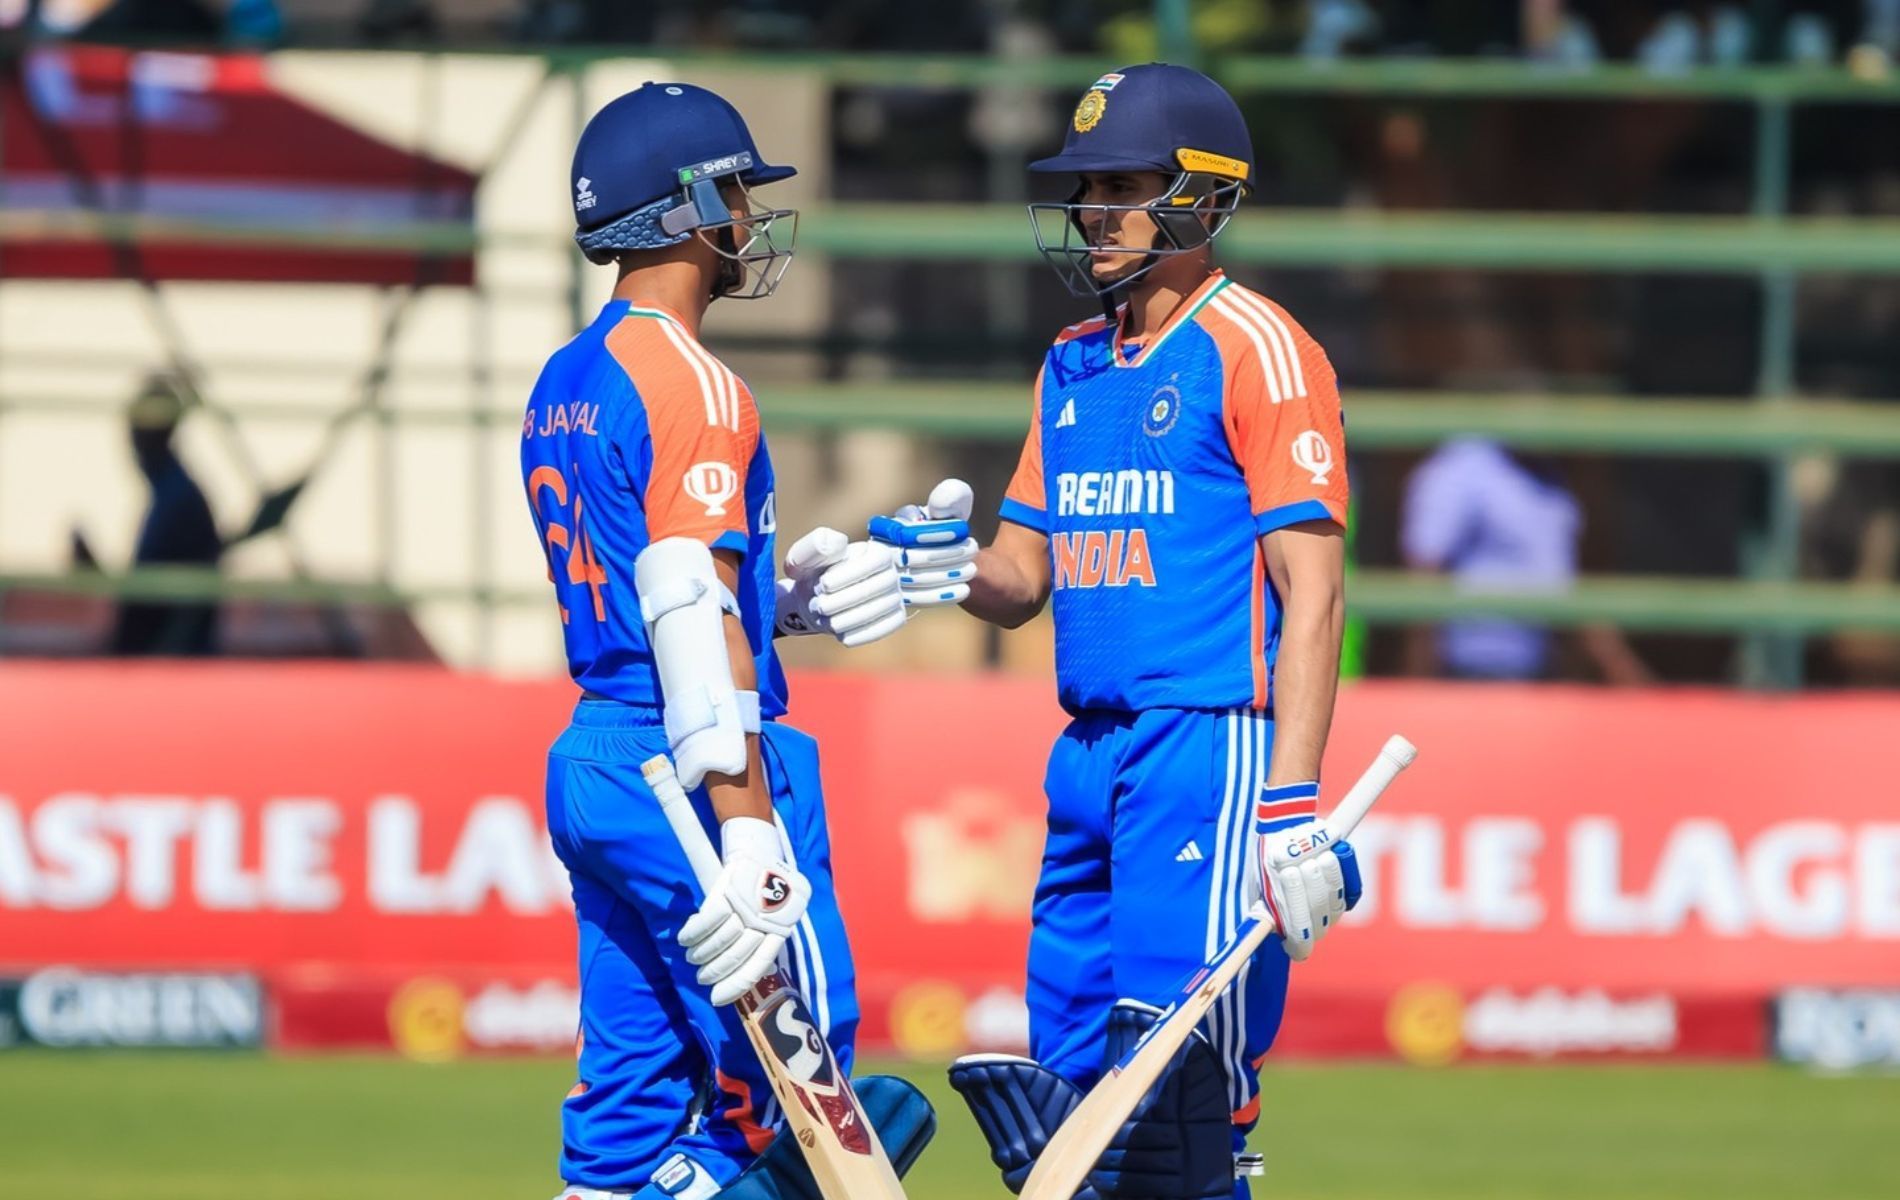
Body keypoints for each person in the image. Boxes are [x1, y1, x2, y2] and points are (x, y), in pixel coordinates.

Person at [877, 64, 1364, 1199]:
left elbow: (1315, 589)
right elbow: (1020, 573)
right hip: (1087, 756)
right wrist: (932, 564)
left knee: (1173, 1097)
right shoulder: (1070, 362)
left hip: (1206, 747)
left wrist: (1289, 805)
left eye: (1122, 186)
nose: (1094, 212)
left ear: (1199, 197)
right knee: (1067, 1110)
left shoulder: (1258, 347)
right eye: (1086, 187)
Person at [521, 83, 939, 1200]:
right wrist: (747, 826)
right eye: (736, 192)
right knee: (802, 1087)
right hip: (693, 760)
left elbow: (640, 576)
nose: (748, 218)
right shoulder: (696, 382)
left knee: (626, 1100)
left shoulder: (564, 377)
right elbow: (684, 605)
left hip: (600, 752)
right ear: (686, 208)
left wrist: (780, 602)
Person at [1401, 437, 1651, 684]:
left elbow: (1559, 582)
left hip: (1538, 669)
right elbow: (1425, 574)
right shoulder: (1460, 467)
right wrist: (1418, 685)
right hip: (1473, 672)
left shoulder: (1549, 474)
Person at [111, 374, 222, 656]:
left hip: (161, 668)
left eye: (137, 433)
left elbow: (170, 609)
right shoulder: (172, 495)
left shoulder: (179, 501)